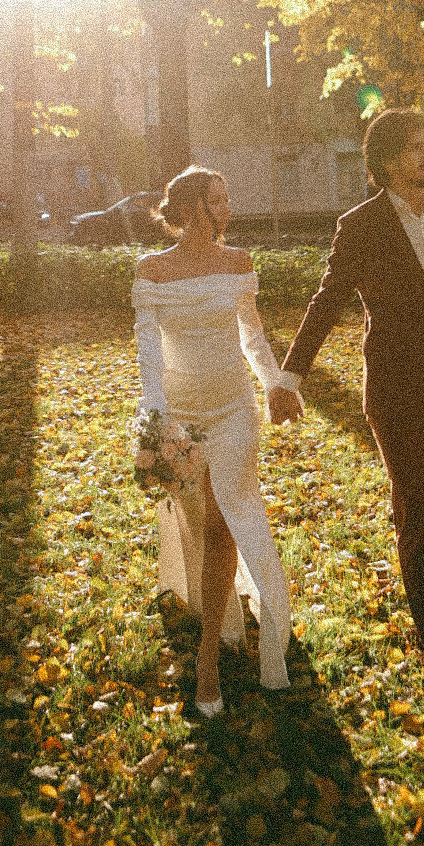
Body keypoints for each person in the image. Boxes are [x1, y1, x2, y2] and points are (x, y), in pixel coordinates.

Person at [269, 109, 424, 695]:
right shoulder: (360, 225)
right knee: (415, 504)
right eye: (415, 146)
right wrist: (291, 376)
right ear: (386, 162)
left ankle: (418, 577)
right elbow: (327, 300)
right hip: (395, 387)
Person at [132, 166, 299, 717]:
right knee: (199, 518)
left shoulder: (239, 264)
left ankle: (208, 661)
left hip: (233, 413)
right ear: (194, 206)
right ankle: (218, 616)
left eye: (227, 196)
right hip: (179, 417)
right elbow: (150, 357)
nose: (227, 205)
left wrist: (274, 382)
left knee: (228, 519)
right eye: (218, 197)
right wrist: (157, 421)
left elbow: (251, 334)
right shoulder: (151, 272)